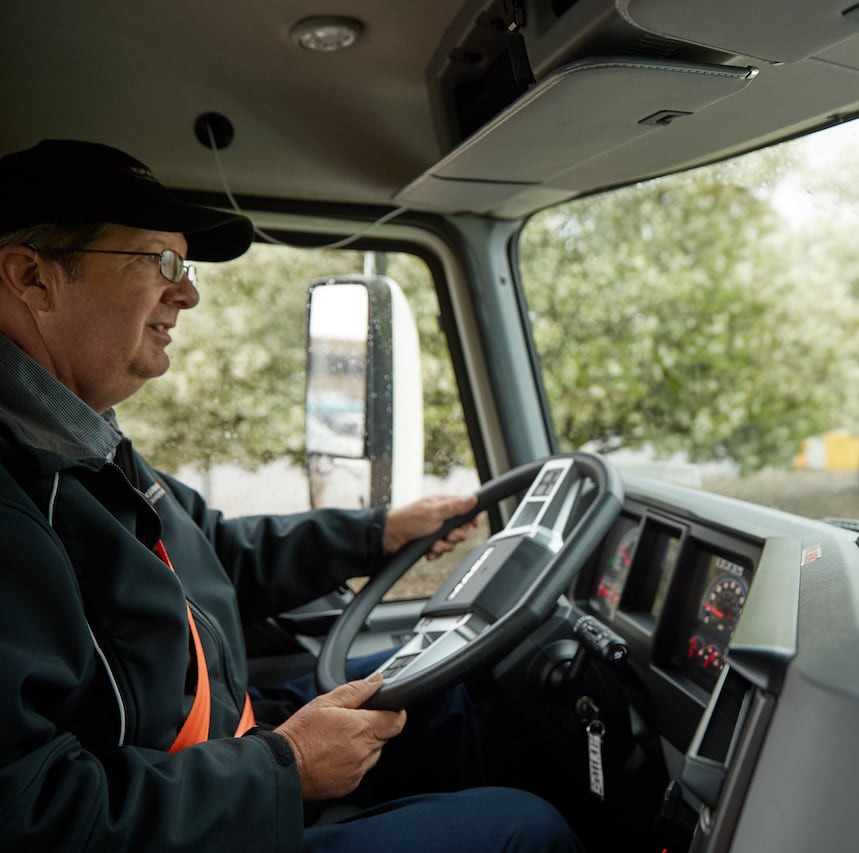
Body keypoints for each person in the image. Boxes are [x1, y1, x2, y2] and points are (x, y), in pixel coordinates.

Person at [0, 139, 583, 852]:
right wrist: (287, 767)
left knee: (449, 690)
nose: (188, 292)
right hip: (186, 816)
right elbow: (31, 815)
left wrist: (376, 531)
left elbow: (216, 552)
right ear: (31, 278)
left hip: (221, 755)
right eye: (161, 262)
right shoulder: (20, 495)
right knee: (527, 830)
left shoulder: (84, 444)